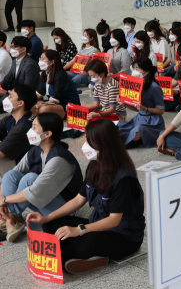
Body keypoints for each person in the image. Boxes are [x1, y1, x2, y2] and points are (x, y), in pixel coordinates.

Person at [29, 119, 145, 273]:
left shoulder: (124, 178)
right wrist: (47, 217)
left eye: (88, 141)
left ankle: (76, 255)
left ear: (103, 144)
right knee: (51, 224)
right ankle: (88, 255)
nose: (84, 145)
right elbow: (78, 199)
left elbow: (113, 220)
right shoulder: (94, 165)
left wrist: (79, 230)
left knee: (82, 244)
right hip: (96, 225)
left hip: (123, 236)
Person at [0, 113, 83, 242]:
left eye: (34, 127)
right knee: (11, 175)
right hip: (43, 198)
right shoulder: (36, 150)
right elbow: (12, 176)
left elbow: (34, 190)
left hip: (64, 208)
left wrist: (4, 199)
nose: (30, 131)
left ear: (47, 134)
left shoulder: (59, 159)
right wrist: (1, 201)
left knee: (30, 179)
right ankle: (9, 216)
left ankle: (11, 217)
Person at [117, 58, 165, 148]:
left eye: (137, 68)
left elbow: (161, 111)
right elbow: (137, 109)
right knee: (118, 126)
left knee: (137, 131)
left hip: (153, 123)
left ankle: (126, 143)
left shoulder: (155, 88)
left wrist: (145, 109)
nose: (134, 71)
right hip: (139, 118)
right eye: (134, 68)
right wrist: (124, 103)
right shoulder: (134, 85)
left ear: (146, 72)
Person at [0, 86, 37, 176]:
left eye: (11, 97)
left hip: (28, 171)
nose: (6, 99)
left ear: (20, 103)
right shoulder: (11, 119)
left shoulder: (23, 127)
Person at [34, 50, 80, 119]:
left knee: (43, 109)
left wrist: (37, 106)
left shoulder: (60, 75)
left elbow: (55, 100)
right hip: (53, 104)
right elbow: (39, 94)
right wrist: (27, 101)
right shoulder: (44, 73)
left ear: (52, 62)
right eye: (40, 58)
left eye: (43, 59)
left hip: (67, 106)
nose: (40, 61)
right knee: (33, 103)